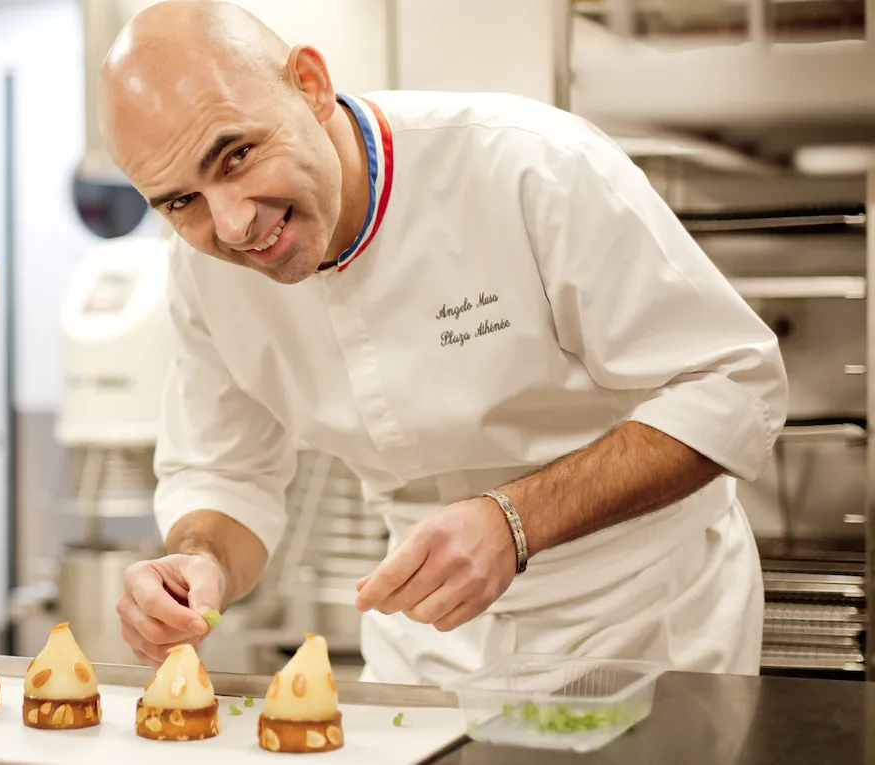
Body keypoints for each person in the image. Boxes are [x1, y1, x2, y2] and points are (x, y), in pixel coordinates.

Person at [97, 0, 788, 686]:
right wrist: (202, 562)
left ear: (309, 84)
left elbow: (731, 382)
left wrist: (515, 520)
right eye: (180, 201)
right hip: (429, 644)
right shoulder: (203, 274)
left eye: (238, 155)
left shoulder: (528, 165)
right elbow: (227, 474)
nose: (234, 223)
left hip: (645, 623)